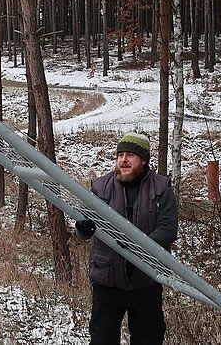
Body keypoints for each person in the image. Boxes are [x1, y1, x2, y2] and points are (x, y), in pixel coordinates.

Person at [75, 132, 178, 345]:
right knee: (102, 340)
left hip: (147, 281)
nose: (123, 160)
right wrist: (82, 229)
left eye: (130, 155)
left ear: (143, 160)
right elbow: (84, 231)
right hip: (107, 283)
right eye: (120, 154)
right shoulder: (100, 187)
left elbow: (168, 230)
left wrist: (135, 245)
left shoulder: (161, 189)